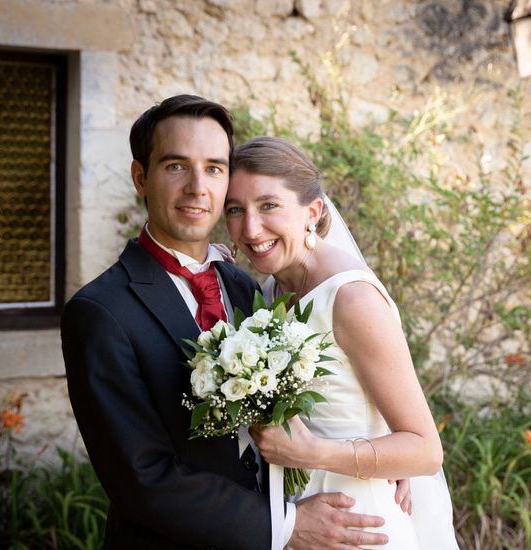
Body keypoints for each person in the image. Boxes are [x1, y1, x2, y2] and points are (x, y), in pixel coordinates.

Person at [61, 95, 389, 549]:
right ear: (141, 177)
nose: (198, 187)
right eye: (176, 166)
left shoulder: (246, 287)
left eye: (214, 168)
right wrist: (287, 528)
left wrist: (379, 459)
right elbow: (142, 479)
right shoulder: (101, 312)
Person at [225, 136, 459, 549]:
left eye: (268, 206)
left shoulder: (351, 298)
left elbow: (425, 450)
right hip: (297, 521)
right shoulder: (269, 290)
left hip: (359, 525)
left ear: (312, 212)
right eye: (235, 210)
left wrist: (313, 452)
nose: (250, 228)